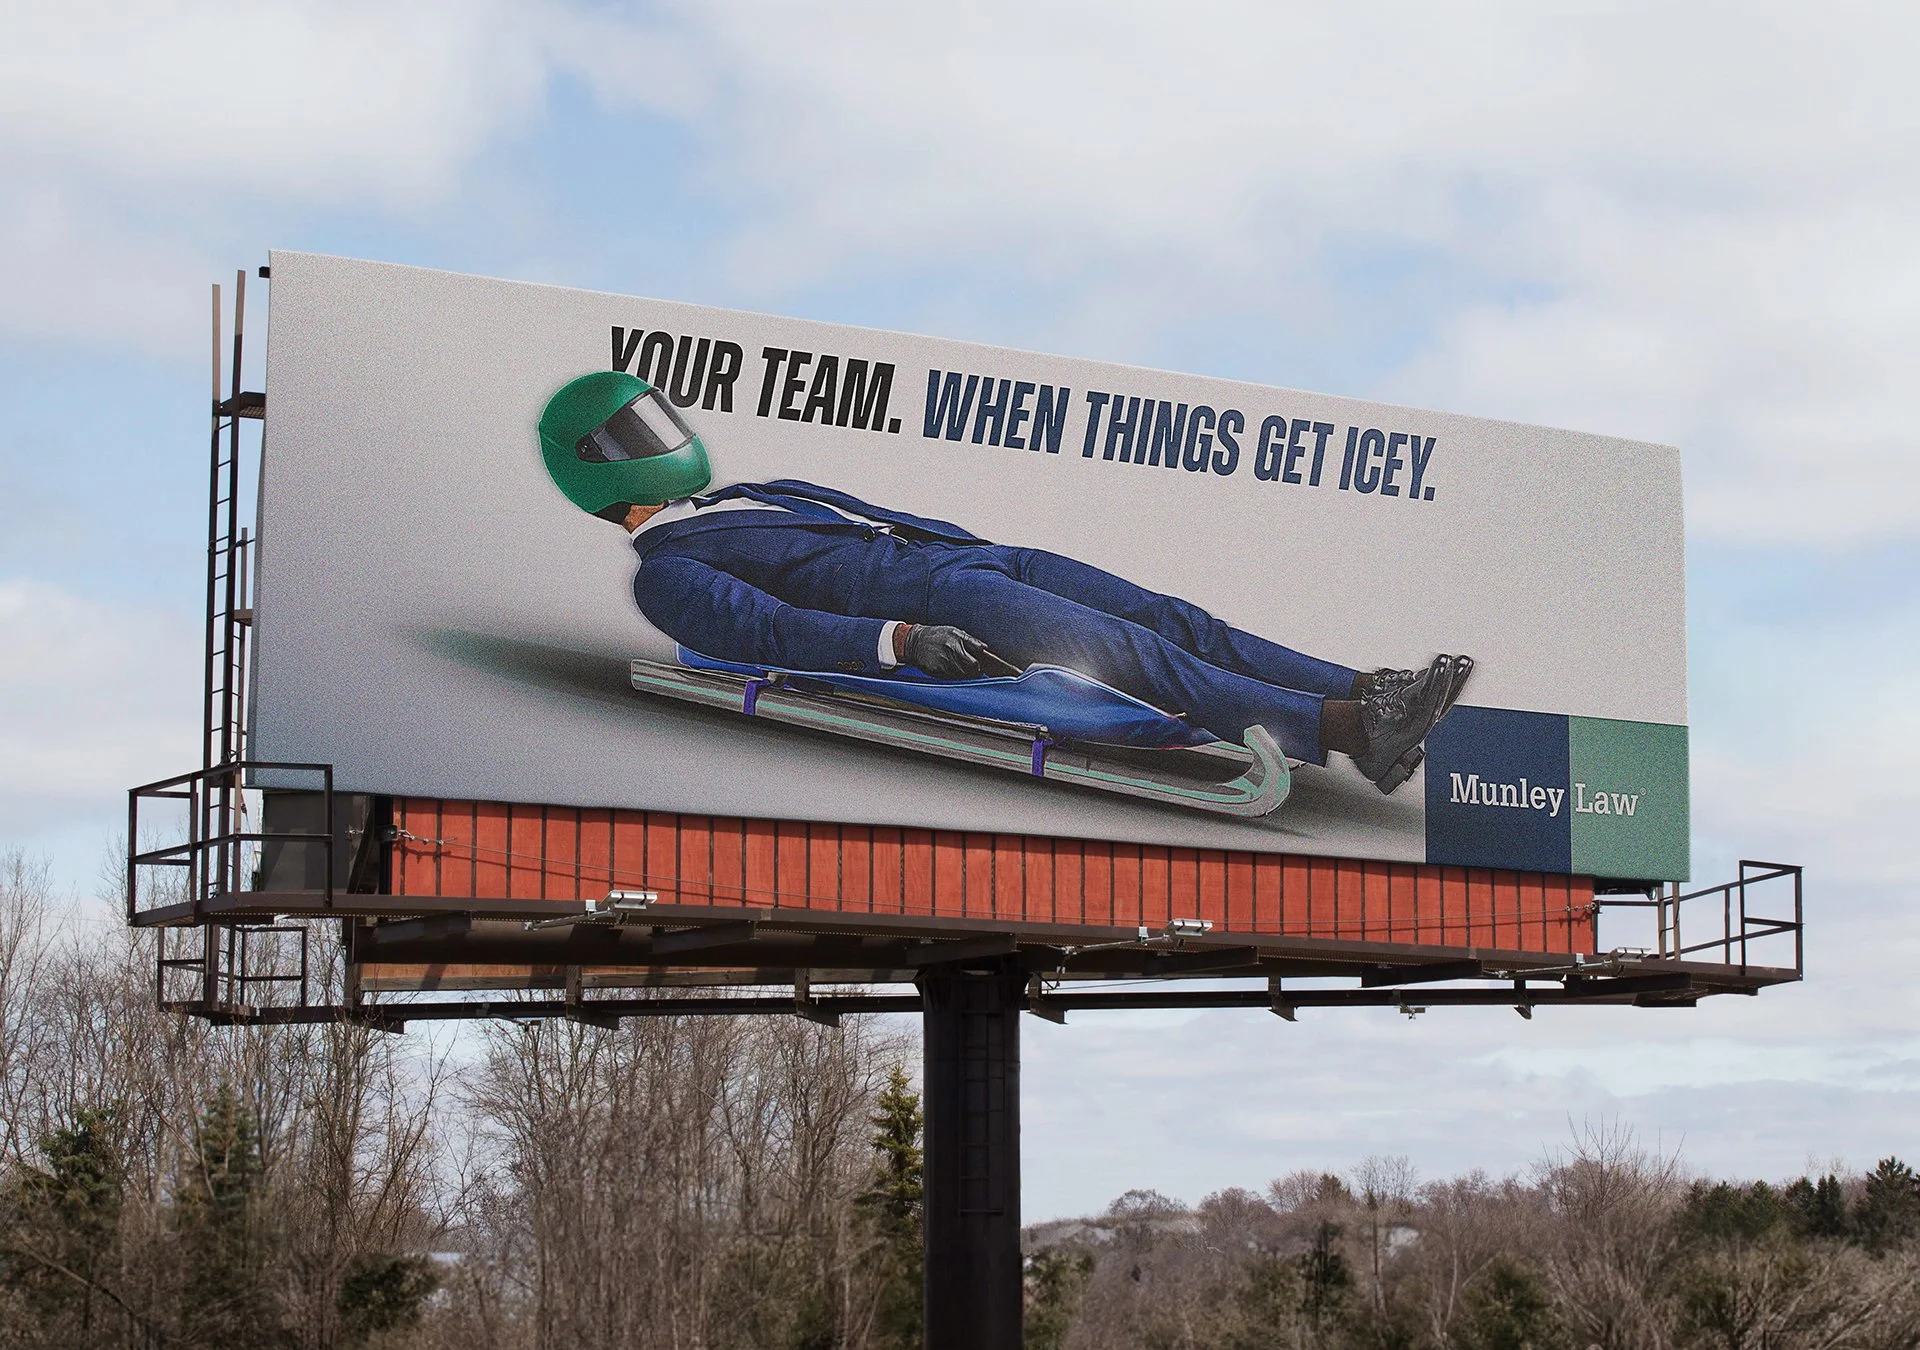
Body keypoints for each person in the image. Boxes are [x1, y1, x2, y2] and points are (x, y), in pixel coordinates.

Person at [539, 371, 1470, 793]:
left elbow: (874, 519)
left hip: (975, 560)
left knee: (1171, 614)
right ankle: (1341, 733)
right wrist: (899, 643)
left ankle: (1363, 689)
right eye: (637, 438)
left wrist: (986, 550)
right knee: (1133, 650)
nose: (664, 444)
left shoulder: (752, 492)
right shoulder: (670, 575)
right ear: (599, 470)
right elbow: (774, 633)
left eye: (658, 424)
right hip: (937, 604)